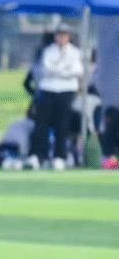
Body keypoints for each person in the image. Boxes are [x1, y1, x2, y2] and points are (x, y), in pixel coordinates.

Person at [29, 23, 83, 170]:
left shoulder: (75, 52)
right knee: (42, 124)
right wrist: (64, 70)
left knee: (62, 125)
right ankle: (39, 155)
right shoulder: (48, 51)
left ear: (68, 36)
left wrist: (59, 71)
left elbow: (76, 71)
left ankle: (60, 156)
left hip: (66, 91)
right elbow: (46, 69)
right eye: (59, 34)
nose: (61, 37)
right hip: (48, 89)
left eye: (64, 35)